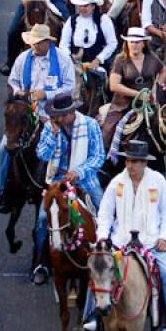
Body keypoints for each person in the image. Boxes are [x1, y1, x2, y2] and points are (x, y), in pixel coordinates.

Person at [97, 138, 166, 331]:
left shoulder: (159, 181)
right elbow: (105, 213)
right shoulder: (117, 183)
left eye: (135, 161)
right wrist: (102, 237)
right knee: (97, 269)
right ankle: (92, 313)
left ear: (145, 163)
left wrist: (164, 236)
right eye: (128, 161)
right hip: (120, 242)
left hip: (150, 242)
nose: (129, 165)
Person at [0, 24, 76, 214]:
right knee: (3, 149)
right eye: (32, 43)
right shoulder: (23, 58)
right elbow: (12, 82)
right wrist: (18, 92)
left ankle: (68, 189)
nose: (34, 47)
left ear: (48, 42)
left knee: (67, 146)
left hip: (52, 115)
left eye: (37, 43)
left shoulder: (63, 59)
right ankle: (4, 193)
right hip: (26, 115)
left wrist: (46, 94)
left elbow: (69, 87)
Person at [33, 93, 106, 285]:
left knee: (103, 209)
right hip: (57, 179)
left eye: (61, 115)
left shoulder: (90, 125)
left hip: (84, 179)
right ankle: (40, 262)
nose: (57, 119)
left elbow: (98, 157)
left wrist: (79, 172)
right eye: (56, 115)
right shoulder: (51, 128)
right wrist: (53, 135)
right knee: (42, 219)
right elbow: (42, 154)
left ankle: (104, 253)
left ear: (71, 112)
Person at [101, 26, 166, 149]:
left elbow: (163, 70)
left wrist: (155, 89)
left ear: (144, 44)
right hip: (122, 104)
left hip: (148, 103)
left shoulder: (152, 58)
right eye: (131, 42)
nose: (134, 45)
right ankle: (105, 162)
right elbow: (114, 85)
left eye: (137, 42)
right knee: (107, 132)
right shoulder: (120, 59)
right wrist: (138, 95)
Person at [59, 0, 117, 69]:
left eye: (86, 6)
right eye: (80, 6)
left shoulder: (103, 20)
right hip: (73, 64)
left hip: (96, 65)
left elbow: (112, 43)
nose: (82, 9)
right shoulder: (71, 21)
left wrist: (99, 59)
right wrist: (69, 57)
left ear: (93, 6)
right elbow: (63, 44)